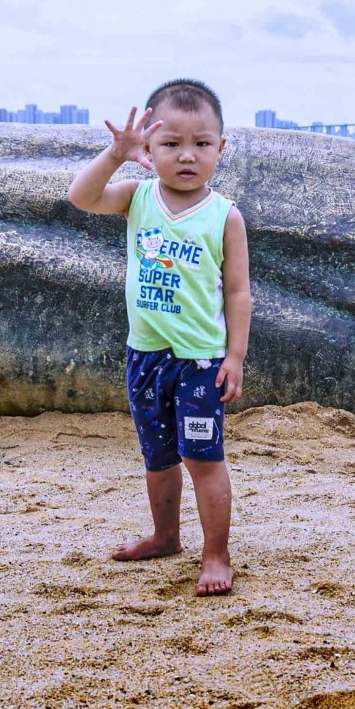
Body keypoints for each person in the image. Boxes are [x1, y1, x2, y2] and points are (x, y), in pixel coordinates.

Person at [67, 78, 252, 595]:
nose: (186, 156)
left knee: (203, 461)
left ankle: (216, 554)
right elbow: (82, 198)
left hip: (198, 363)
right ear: (149, 147)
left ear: (221, 148)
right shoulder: (137, 198)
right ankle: (165, 536)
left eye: (202, 144)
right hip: (145, 357)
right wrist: (113, 154)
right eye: (171, 144)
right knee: (158, 458)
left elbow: (238, 293)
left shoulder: (224, 216)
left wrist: (234, 355)